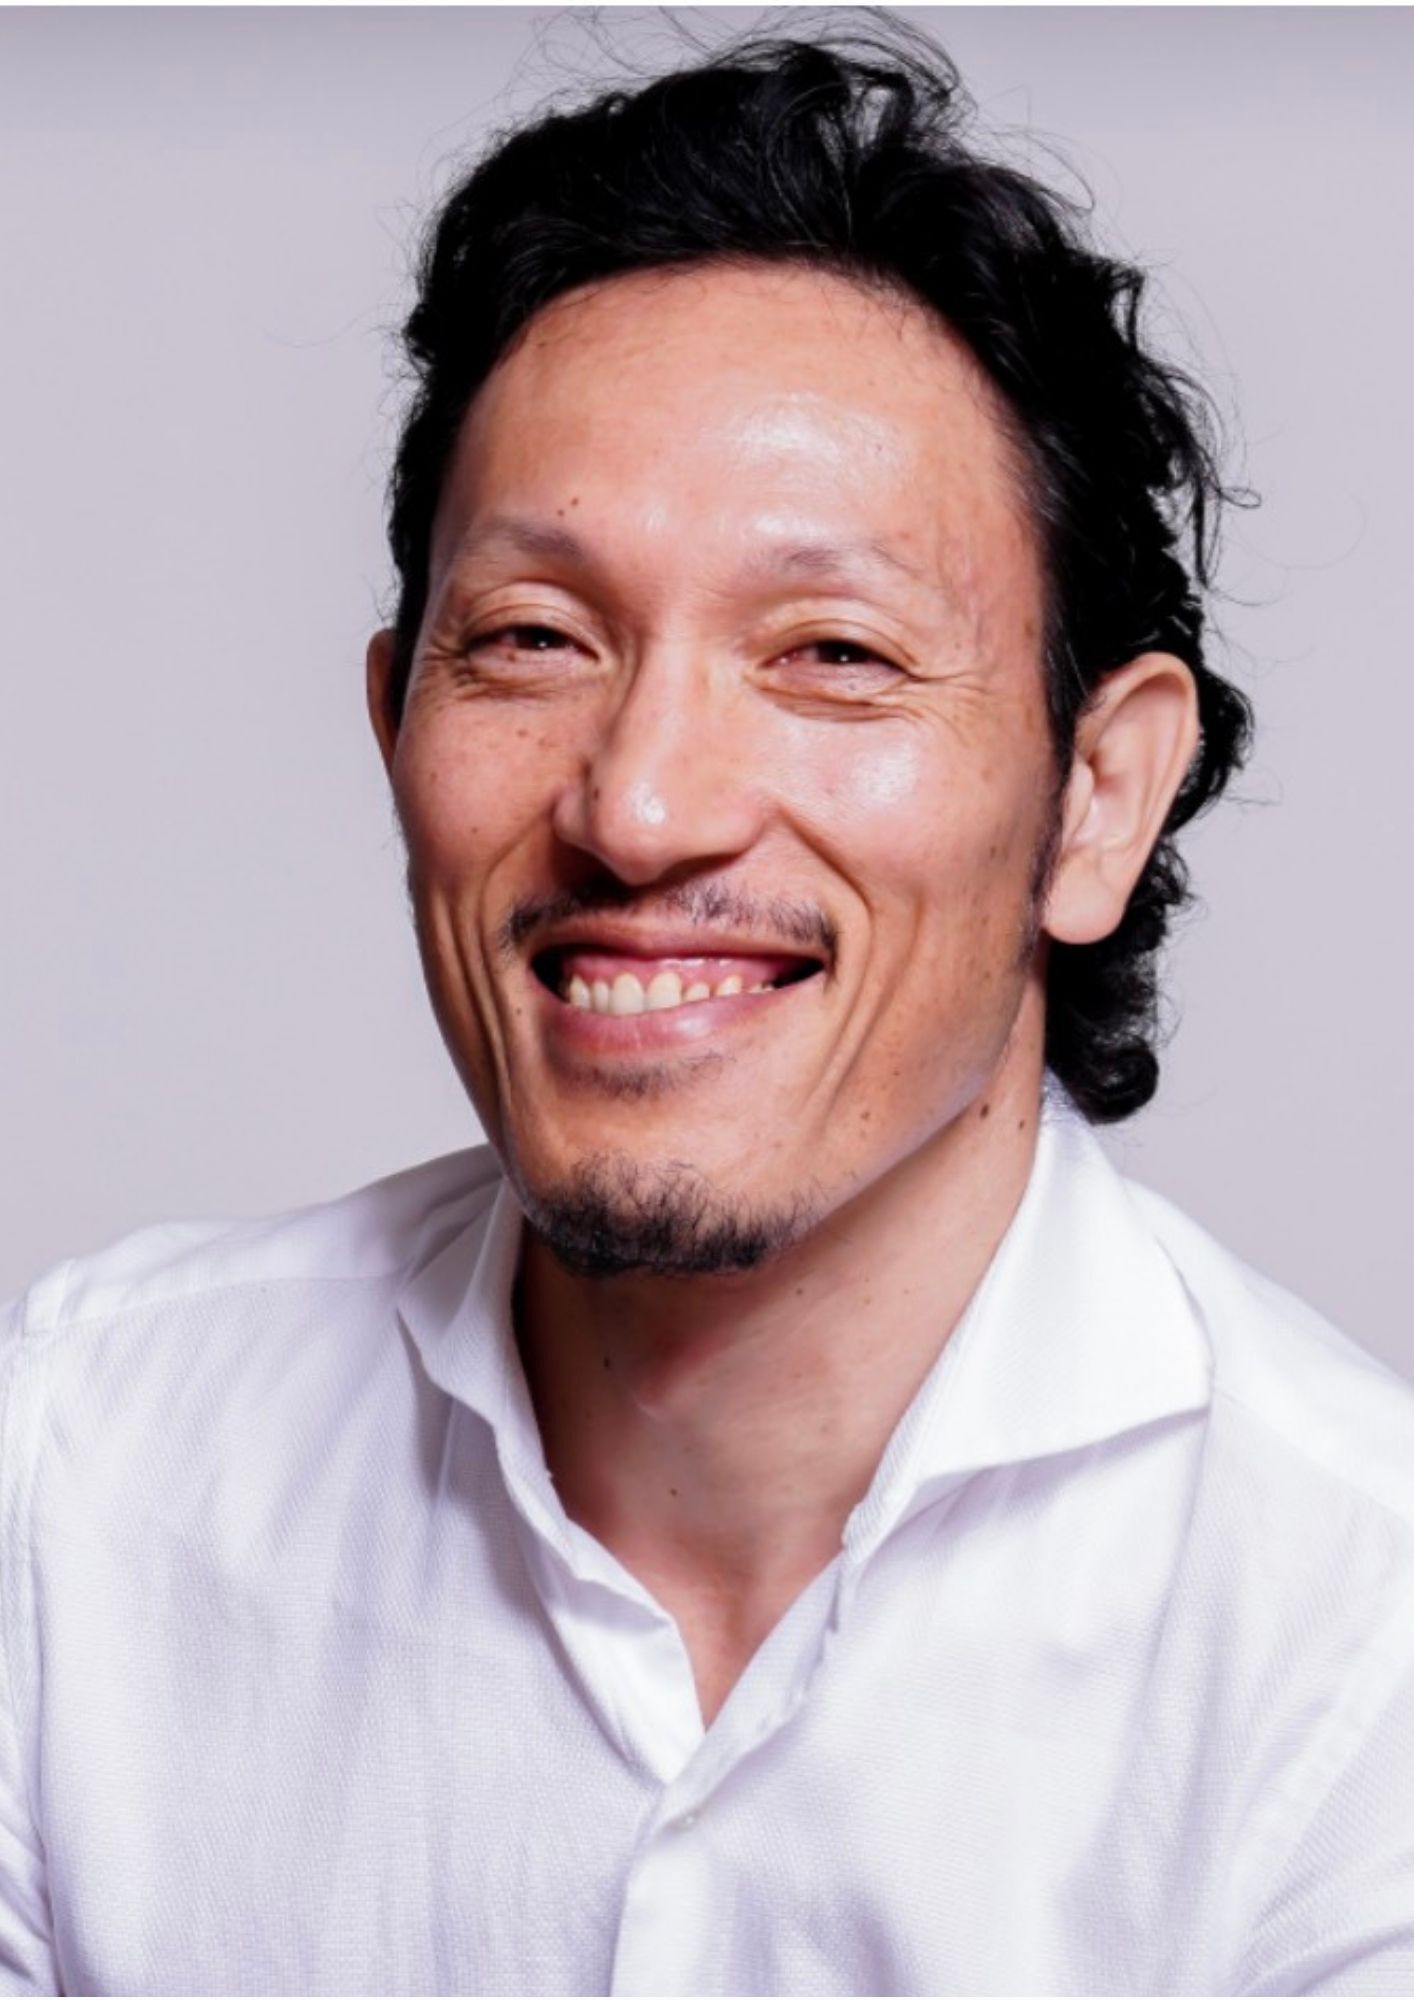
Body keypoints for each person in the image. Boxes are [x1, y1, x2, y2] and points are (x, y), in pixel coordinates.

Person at [2, 26, 1411, 1997]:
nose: (640, 805)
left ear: (1097, 795)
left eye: (830, 653)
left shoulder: (1357, 1655)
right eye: (531, 640)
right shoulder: (75, 1486)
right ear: (394, 726)